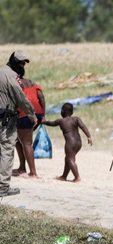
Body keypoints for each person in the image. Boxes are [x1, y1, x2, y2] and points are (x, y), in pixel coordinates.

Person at [0, 51, 37, 197]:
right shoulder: (10, 77)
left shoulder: (1, 72)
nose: (23, 66)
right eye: (21, 63)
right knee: (6, 151)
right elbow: (21, 97)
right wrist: (31, 113)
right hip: (5, 121)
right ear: (14, 62)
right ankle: (2, 187)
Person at [43, 103, 92, 182]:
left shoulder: (61, 121)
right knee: (68, 158)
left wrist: (44, 122)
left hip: (70, 143)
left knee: (70, 159)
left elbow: (51, 123)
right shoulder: (76, 119)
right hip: (78, 143)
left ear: (63, 111)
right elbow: (83, 126)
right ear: (72, 112)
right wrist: (89, 137)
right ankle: (64, 176)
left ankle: (77, 177)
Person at [13, 77, 45, 178]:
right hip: (38, 113)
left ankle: (33, 172)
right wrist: (43, 114)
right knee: (18, 140)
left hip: (25, 114)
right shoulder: (31, 82)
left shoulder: (15, 83)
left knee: (26, 143)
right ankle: (22, 168)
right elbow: (41, 96)